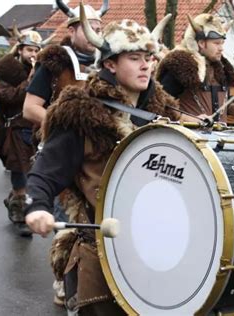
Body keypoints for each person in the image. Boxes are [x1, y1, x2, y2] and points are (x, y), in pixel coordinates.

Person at [24, 9, 181, 314]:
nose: (145, 65)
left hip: (154, 250)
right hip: (100, 249)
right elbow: (45, 171)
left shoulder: (166, 113)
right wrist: (37, 206)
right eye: (134, 58)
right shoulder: (80, 113)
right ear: (110, 63)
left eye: (148, 57)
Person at [0, 31, 45, 237]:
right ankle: (20, 214)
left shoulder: (39, 69)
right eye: (29, 49)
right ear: (20, 49)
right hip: (11, 129)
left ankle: (14, 200)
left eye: (36, 50)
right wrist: (30, 80)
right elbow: (9, 97)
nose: (33, 54)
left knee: (31, 171)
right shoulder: (5, 70)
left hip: (32, 127)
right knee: (19, 170)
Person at [23, 0, 108, 126]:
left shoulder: (107, 64)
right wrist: (69, 129)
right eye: (87, 29)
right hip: (58, 142)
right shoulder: (54, 62)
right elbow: (30, 109)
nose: (94, 35)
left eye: (98, 30)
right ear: (72, 31)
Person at [156, 13, 234, 122]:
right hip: (188, 137)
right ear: (201, 43)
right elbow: (159, 103)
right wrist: (186, 119)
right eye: (217, 43)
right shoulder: (181, 67)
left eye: (222, 43)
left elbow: (217, 109)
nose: (221, 48)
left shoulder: (221, 70)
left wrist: (233, 108)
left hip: (219, 137)